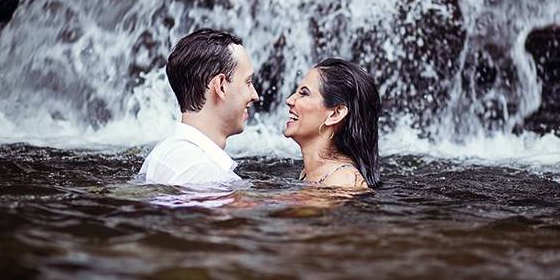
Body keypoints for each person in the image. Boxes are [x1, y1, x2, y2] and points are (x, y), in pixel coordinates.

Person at [139, 28, 259, 187]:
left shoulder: (163, 154)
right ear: (221, 86)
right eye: (248, 82)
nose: (255, 95)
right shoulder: (200, 172)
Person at [284, 58, 380, 189]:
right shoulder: (314, 173)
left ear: (335, 114)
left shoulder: (344, 182)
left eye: (304, 93)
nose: (289, 100)